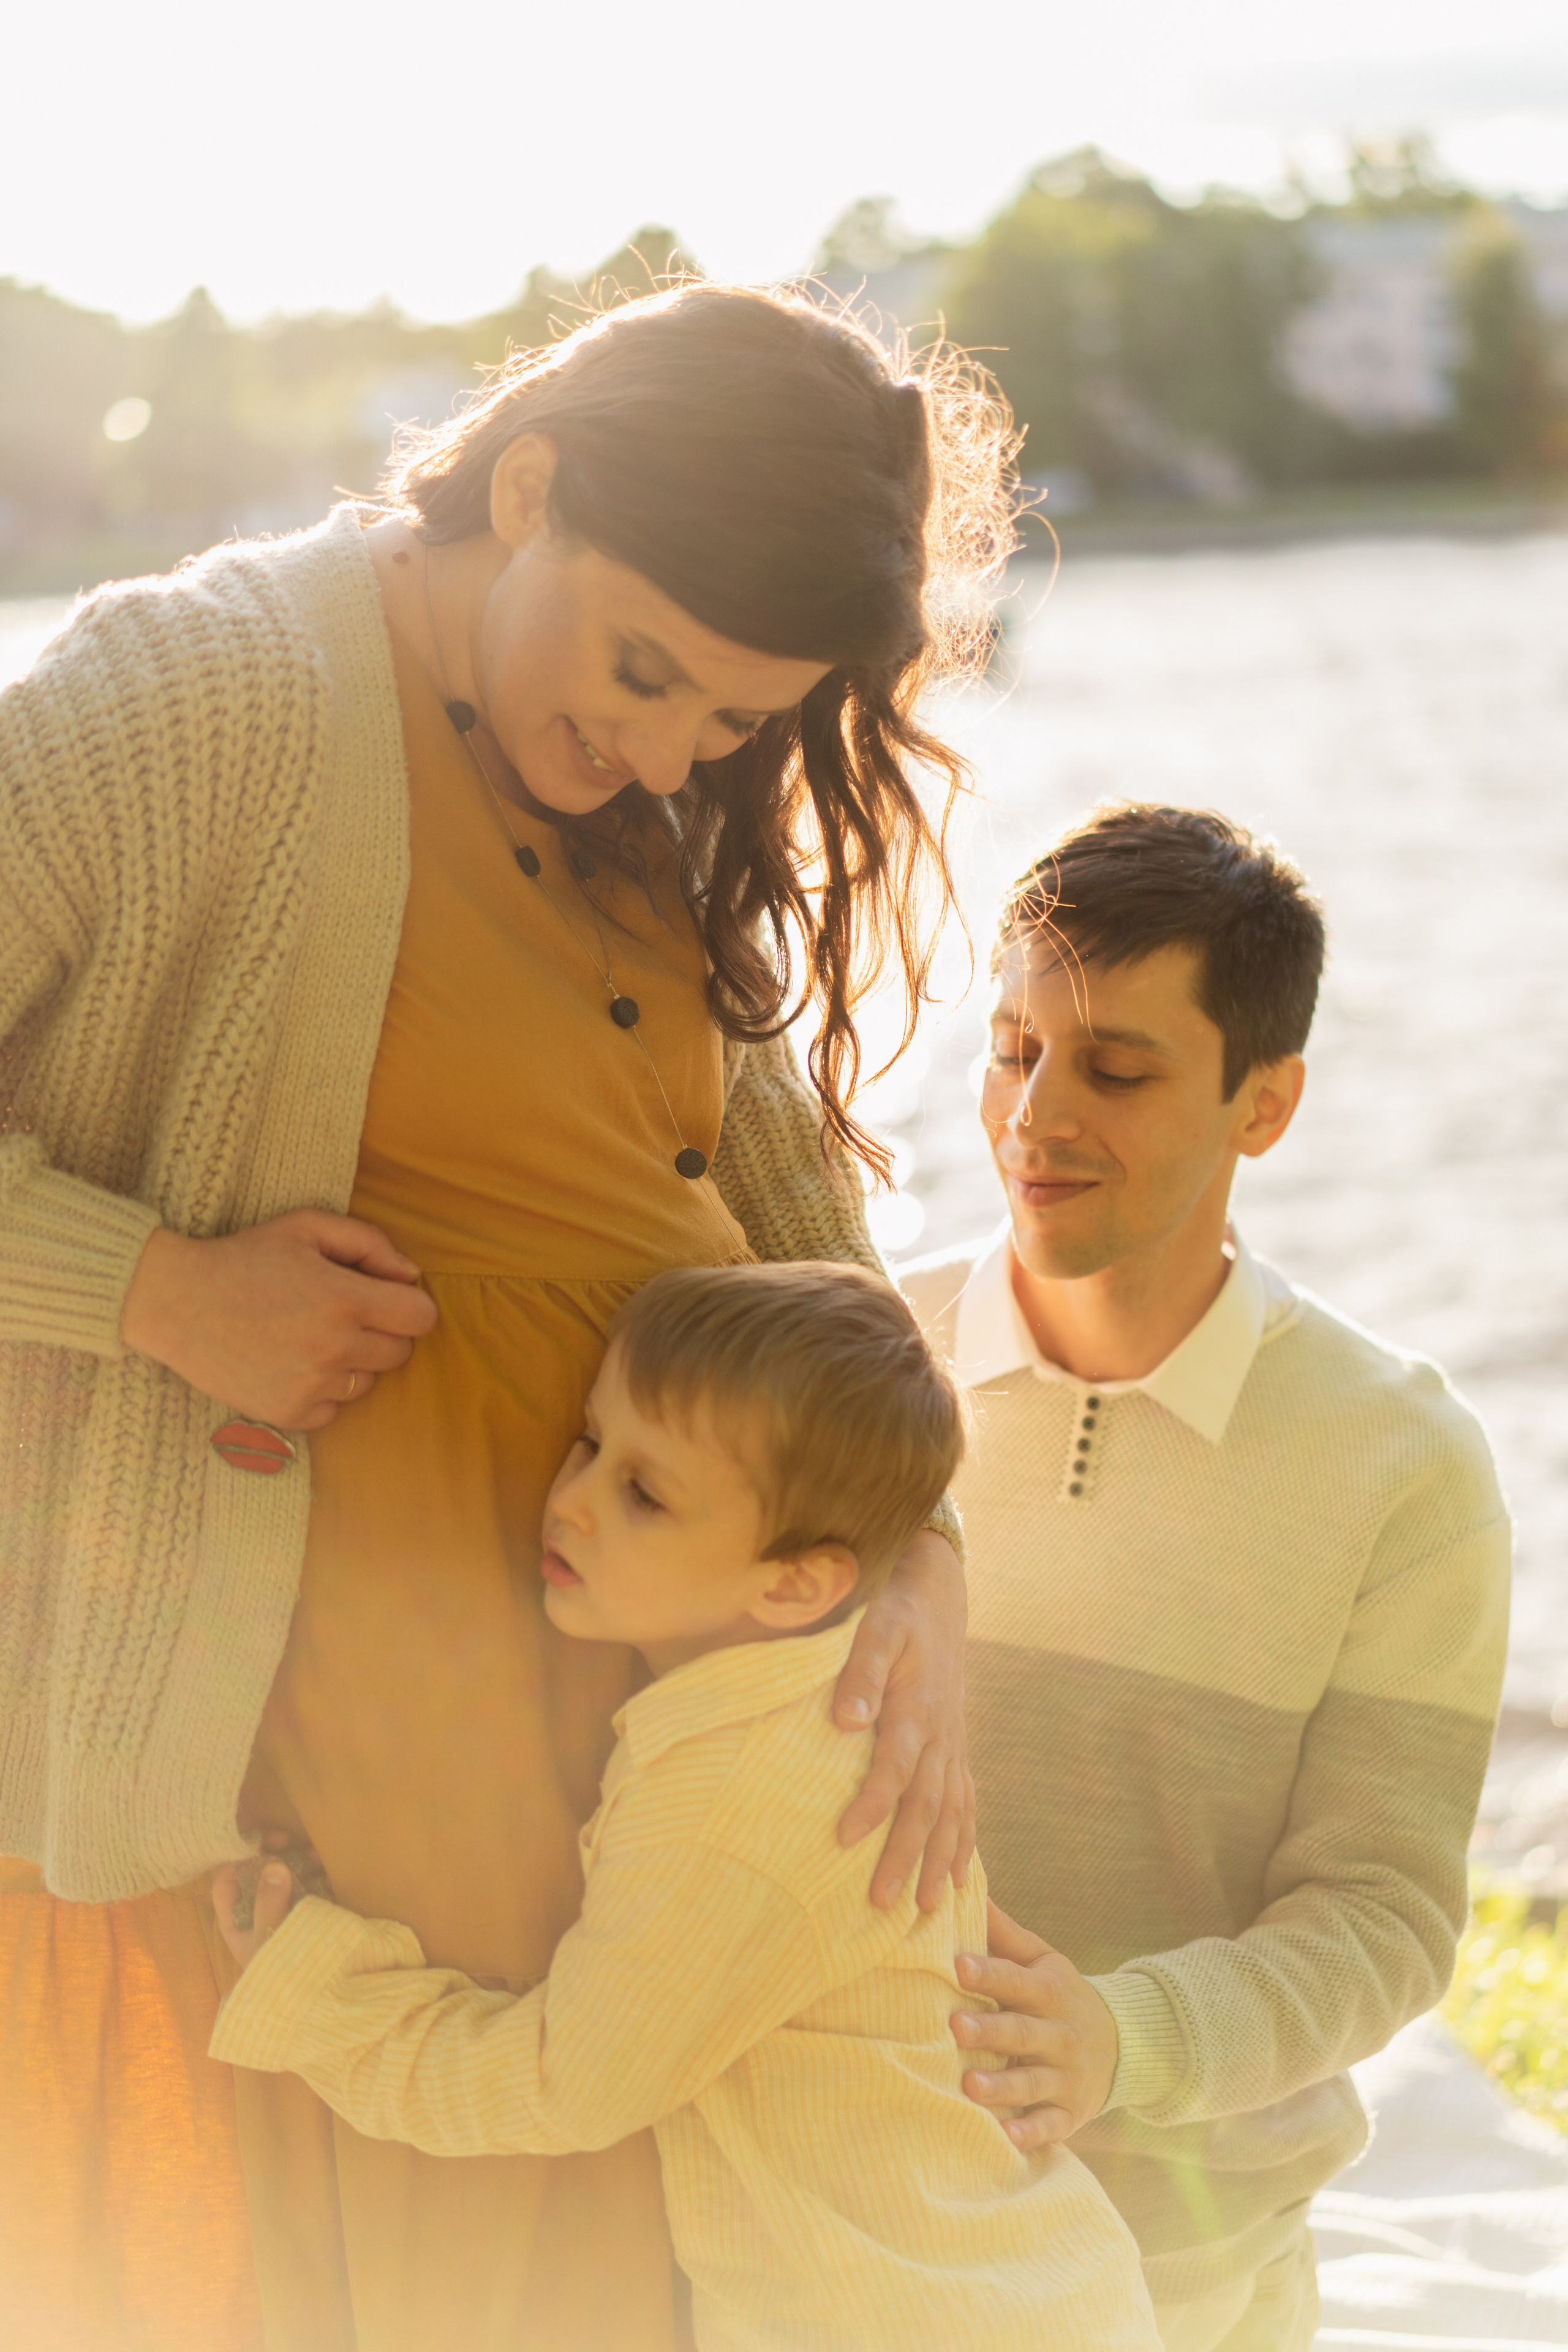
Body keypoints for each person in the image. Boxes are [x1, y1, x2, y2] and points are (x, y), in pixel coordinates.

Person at [0, 284, 1017, 2352]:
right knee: (468, 2242)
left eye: (727, 721)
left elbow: (784, 1218)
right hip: (379, 1685)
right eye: (645, 672)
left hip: (656, 1662)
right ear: (527, 484)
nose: (662, 754)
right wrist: (162, 1294)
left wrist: (914, 1548)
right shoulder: (197, 699)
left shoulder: (636, 789)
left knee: (672, 2235)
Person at [206, 1261, 1161, 2352]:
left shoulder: (737, 1804)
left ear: (795, 1582)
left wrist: (315, 1991)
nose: (570, 1499)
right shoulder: (805, 1701)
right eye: (588, 1441)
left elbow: (563, 2084)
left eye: (644, 1495)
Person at [900, 804, 1510, 2352]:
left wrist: (1119, 2040)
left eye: (1113, 1071)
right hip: (836, 2205)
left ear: (1265, 1104)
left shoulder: (1400, 1465)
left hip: (1182, 2257)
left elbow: (1376, 1918)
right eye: (1010, 1050)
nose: (1032, 1117)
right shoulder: (857, 1363)